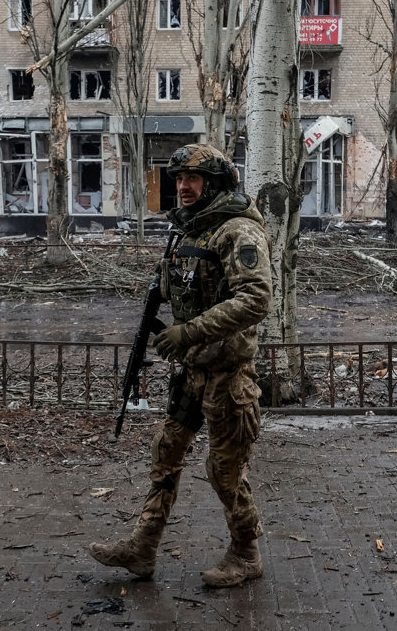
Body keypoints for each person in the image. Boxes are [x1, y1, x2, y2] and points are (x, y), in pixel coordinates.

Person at [88, 144, 272, 588]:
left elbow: (255, 298)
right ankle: (142, 547)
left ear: (215, 183)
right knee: (165, 455)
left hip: (228, 376)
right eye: (178, 179)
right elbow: (182, 291)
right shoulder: (189, 232)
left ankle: (246, 553)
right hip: (191, 373)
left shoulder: (237, 232)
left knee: (224, 472)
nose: (183, 187)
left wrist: (187, 333)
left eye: (192, 179)